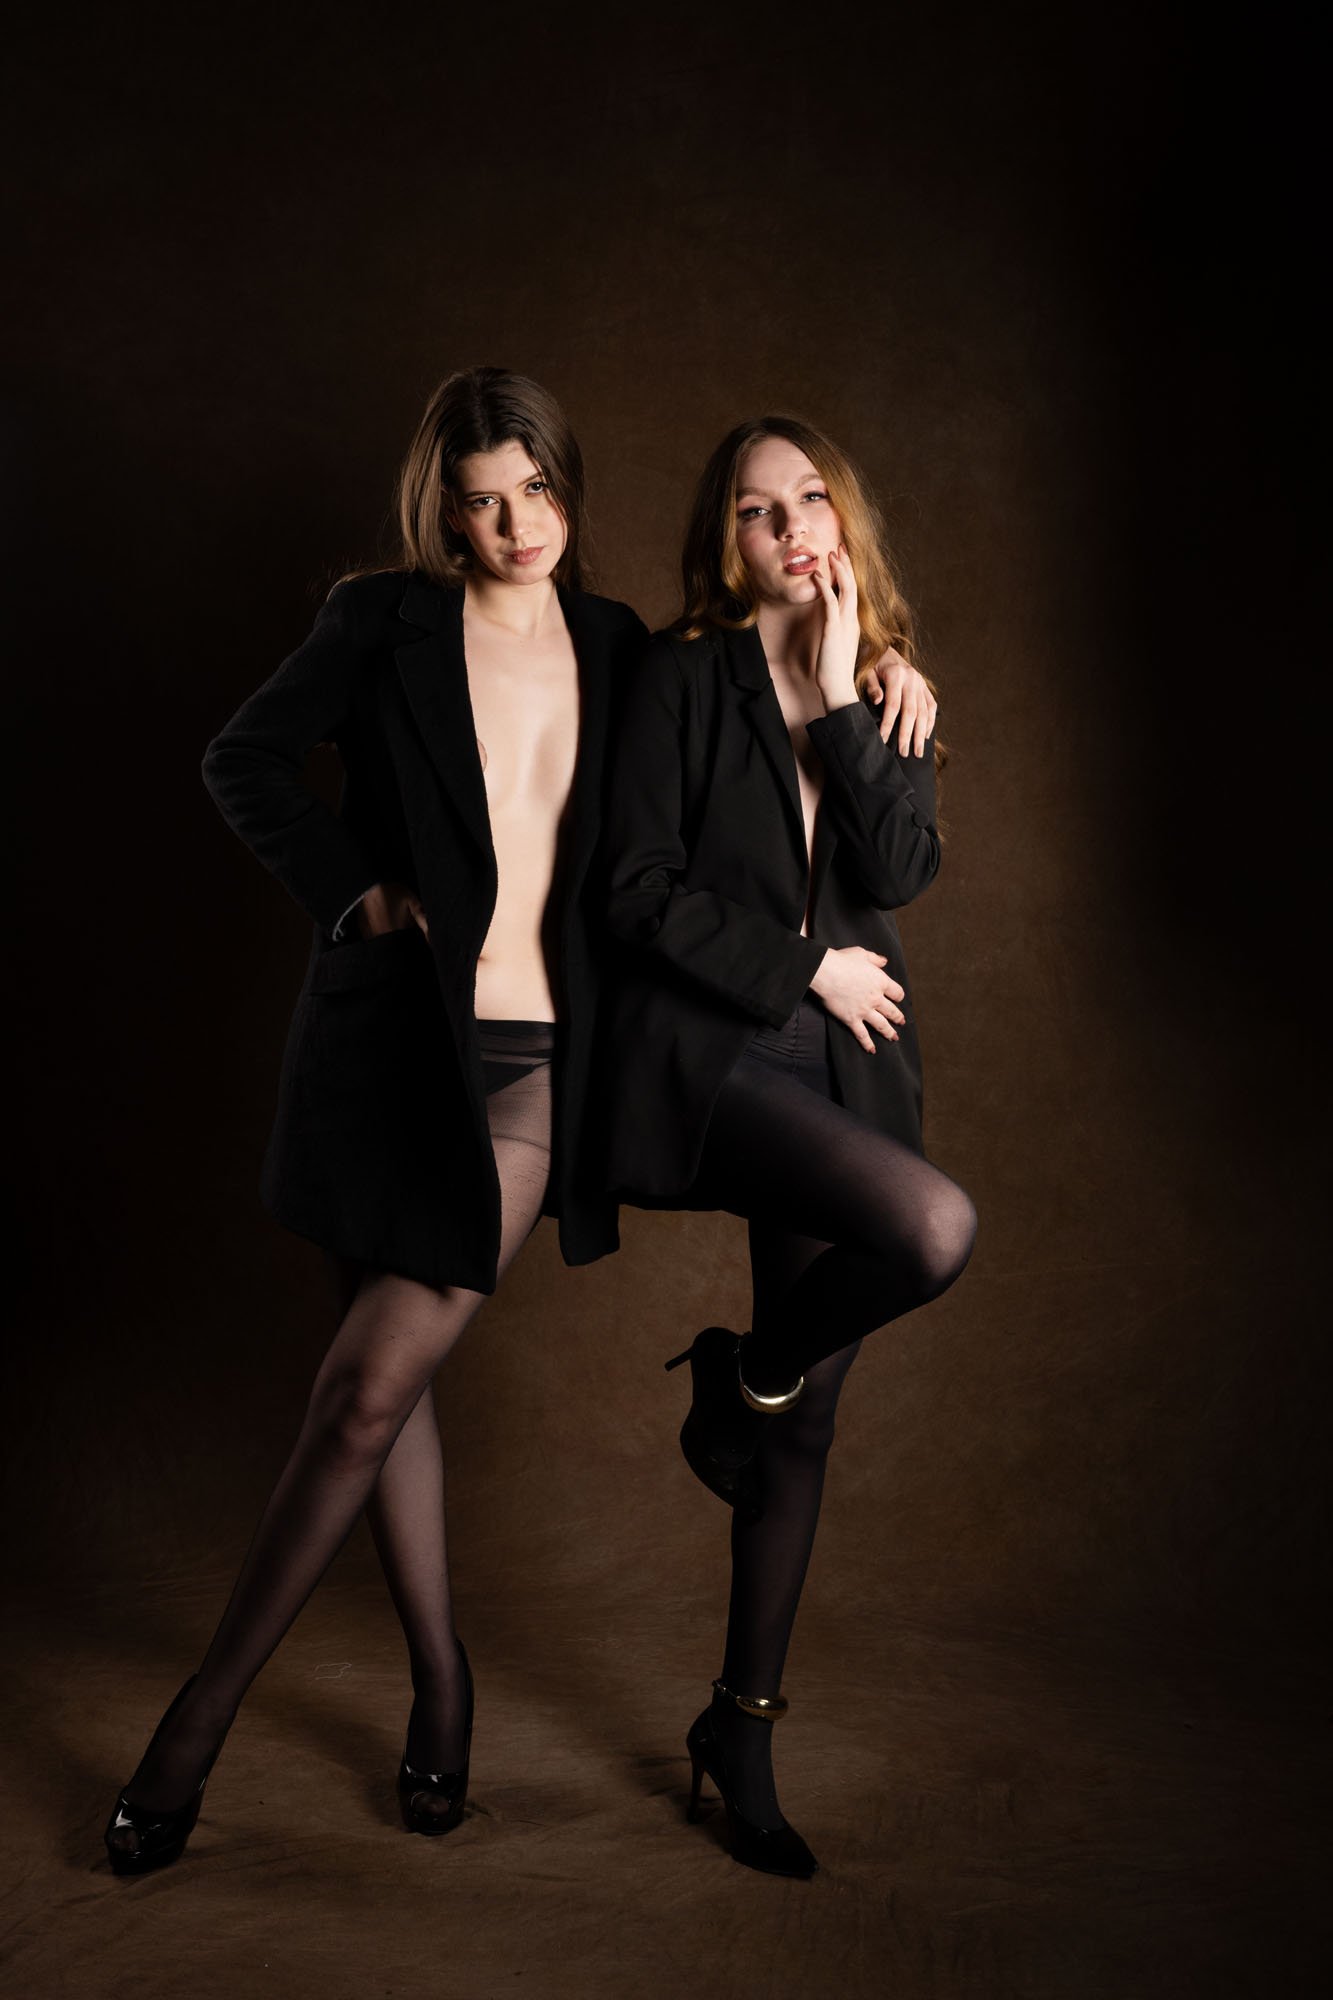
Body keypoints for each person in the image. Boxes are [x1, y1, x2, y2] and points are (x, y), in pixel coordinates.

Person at [104, 367, 647, 1873]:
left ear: (566, 485)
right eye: (482, 502)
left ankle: (197, 1723)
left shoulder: (623, 648)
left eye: (537, 489)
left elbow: (744, 719)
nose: (517, 525)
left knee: (357, 1396)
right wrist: (355, 892)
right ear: (445, 514)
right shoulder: (378, 622)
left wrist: (880, 663)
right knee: (380, 1397)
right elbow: (242, 759)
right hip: (380, 1051)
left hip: (533, 1071)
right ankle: (441, 1682)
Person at [602, 415, 977, 1879]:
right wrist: (803, 966)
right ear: (728, 540)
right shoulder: (679, 675)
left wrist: (839, 701)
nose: (791, 527)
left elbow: (900, 870)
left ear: (844, 517)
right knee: (930, 1231)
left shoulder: (881, 684)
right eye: (759, 510)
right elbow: (634, 889)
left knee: (807, 1418)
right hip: (719, 1052)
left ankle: (740, 1731)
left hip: (850, 1072)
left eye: (811, 498)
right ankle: (740, 1374)